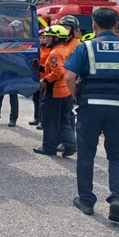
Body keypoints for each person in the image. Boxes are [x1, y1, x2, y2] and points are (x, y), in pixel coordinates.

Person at [64, 7, 119, 222]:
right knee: (117, 155)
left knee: (86, 154)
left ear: (93, 24)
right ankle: (117, 198)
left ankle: (86, 201)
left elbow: (70, 76)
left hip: (91, 107)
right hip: (118, 109)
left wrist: (77, 97)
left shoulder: (85, 47)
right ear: (115, 25)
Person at [32, 25, 76, 157]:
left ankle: (49, 148)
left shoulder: (54, 53)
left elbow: (58, 71)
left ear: (56, 38)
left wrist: (44, 81)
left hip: (55, 93)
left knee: (49, 121)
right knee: (64, 122)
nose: (46, 39)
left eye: (49, 37)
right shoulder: (64, 50)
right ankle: (71, 145)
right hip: (66, 93)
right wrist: (39, 68)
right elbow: (55, 69)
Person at [0, 20, 23, 128]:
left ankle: (13, 119)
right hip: (3, 72)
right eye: (12, 28)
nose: (13, 30)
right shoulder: (5, 41)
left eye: (16, 28)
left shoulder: (23, 42)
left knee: (13, 97)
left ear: (20, 30)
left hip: (14, 73)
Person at [29, 30, 50, 128]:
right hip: (35, 78)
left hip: (44, 79)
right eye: (40, 37)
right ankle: (36, 118)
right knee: (35, 99)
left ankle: (42, 120)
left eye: (44, 37)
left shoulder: (50, 50)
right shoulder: (37, 49)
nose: (42, 39)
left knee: (42, 101)